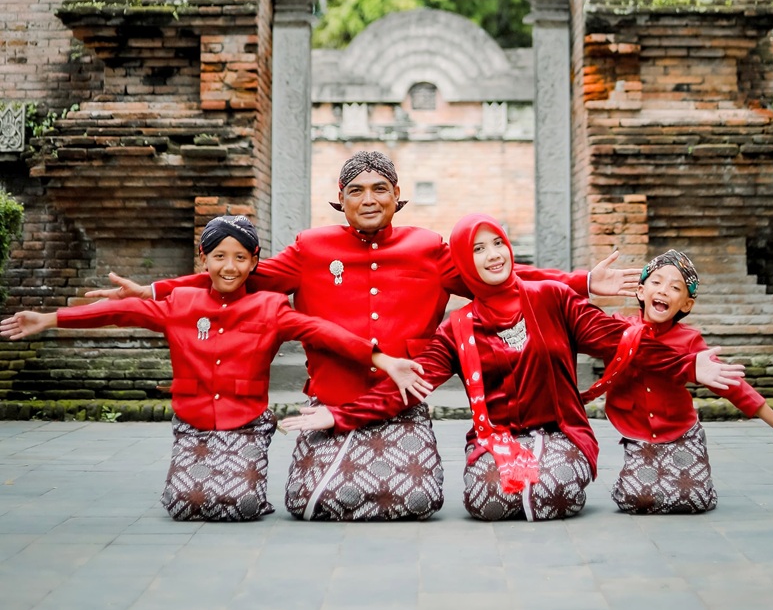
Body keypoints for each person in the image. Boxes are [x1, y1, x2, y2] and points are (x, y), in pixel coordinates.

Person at [81, 152, 642, 523]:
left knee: (415, 498)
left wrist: (582, 283)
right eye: (355, 190)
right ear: (340, 200)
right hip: (332, 396)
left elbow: (496, 273)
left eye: (379, 188)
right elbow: (239, 278)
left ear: (397, 195)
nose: (368, 198)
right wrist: (157, 289)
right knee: (310, 501)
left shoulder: (427, 248)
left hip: (402, 398)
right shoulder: (310, 248)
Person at [281, 214, 743, 522]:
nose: (493, 255)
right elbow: (410, 383)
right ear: (465, 265)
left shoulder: (553, 298)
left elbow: (622, 342)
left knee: (551, 485)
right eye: (478, 250)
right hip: (495, 437)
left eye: (498, 243)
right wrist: (338, 416)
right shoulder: (457, 328)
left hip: (560, 433)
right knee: (488, 500)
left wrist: (688, 365)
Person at [0, 215, 427, 523]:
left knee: (241, 505)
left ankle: (252, 491)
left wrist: (382, 358)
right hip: (194, 422)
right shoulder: (180, 304)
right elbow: (120, 312)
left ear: (254, 262)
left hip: (246, 422)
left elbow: (324, 332)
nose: (229, 267)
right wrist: (50, 319)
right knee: (186, 504)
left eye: (240, 257)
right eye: (219, 256)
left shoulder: (271, 307)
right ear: (203, 259)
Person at [580, 249, 773, 514]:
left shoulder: (690, 340)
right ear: (640, 291)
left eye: (675, 288)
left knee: (694, 500)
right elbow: (570, 318)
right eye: (656, 282)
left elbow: (732, 385)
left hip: (681, 431)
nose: (663, 291)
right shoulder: (616, 329)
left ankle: (694, 477)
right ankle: (634, 483)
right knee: (637, 500)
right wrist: (587, 284)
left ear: (686, 304)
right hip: (637, 433)